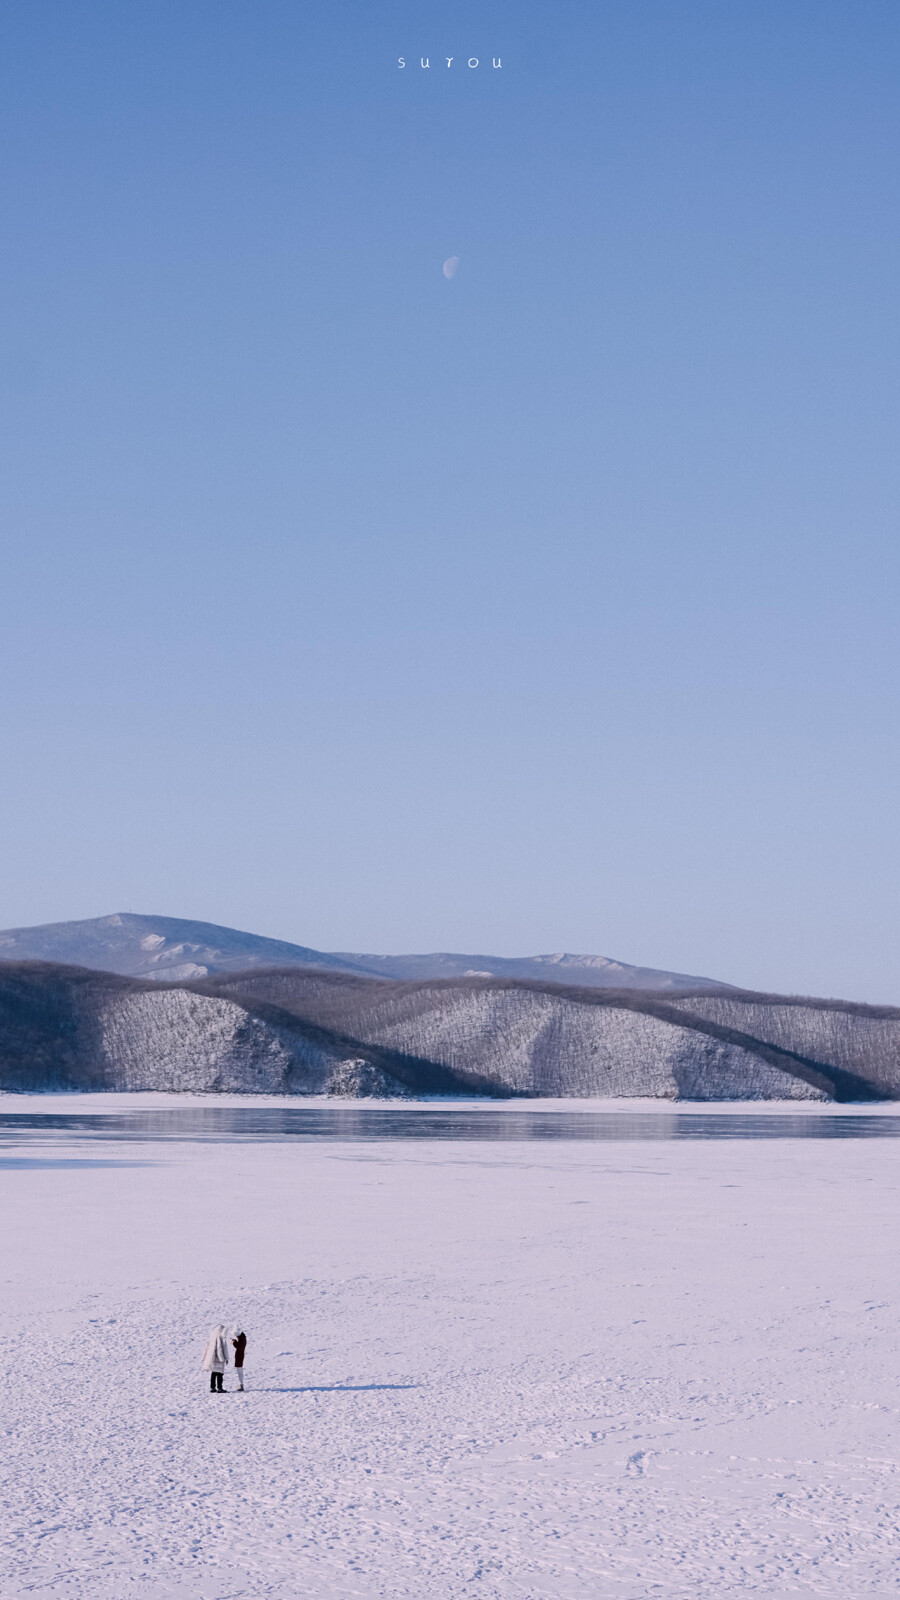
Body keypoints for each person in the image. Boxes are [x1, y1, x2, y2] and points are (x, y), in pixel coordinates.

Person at [202, 1324, 229, 1392]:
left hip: (212, 1358)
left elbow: (207, 1347)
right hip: (220, 1358)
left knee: (213, 1373)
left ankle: (212, 1388)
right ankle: (220, 1388)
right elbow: (222, 1349)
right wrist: (226, 1358)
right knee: (220, 1374)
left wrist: (204, 1357)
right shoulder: (221, 1337)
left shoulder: (212, 1336)